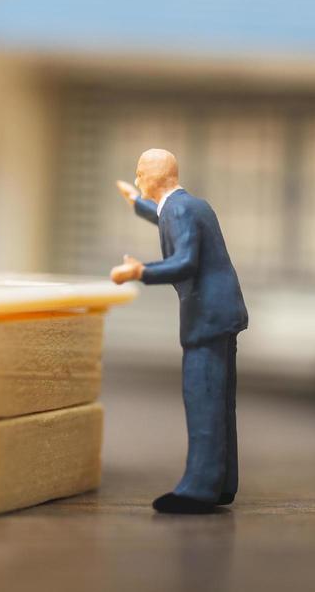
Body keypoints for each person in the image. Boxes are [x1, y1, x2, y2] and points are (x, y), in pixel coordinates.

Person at [111, 148, 249, 513]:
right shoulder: (190, 205)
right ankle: (222, 482)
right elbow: (164, 217)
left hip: (207, 317)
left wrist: (139, 272)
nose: (138, 179)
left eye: (141, 174)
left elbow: (185, 263)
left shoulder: (180, 210)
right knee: (220, 401)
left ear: (156, 177)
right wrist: (136, 204)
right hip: (221, 313)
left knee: (203, 399)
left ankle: (198, 489)